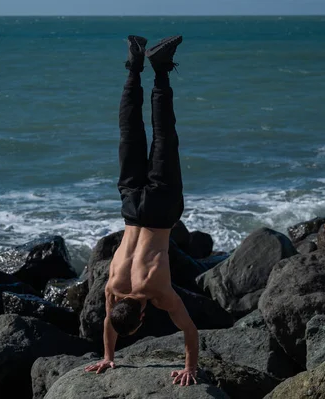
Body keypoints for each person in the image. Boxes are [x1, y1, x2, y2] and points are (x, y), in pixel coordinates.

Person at [84, 35, 198, 386]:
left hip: (162, 209)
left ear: (143, 316)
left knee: (164, 135)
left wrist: (190, 368)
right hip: (131, 206)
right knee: (129, 133)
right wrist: (107, 355)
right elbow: (108, 321)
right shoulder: (113, 288)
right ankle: (134, 66)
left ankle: (160, 69)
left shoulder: (157, 292)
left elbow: (190, 332)